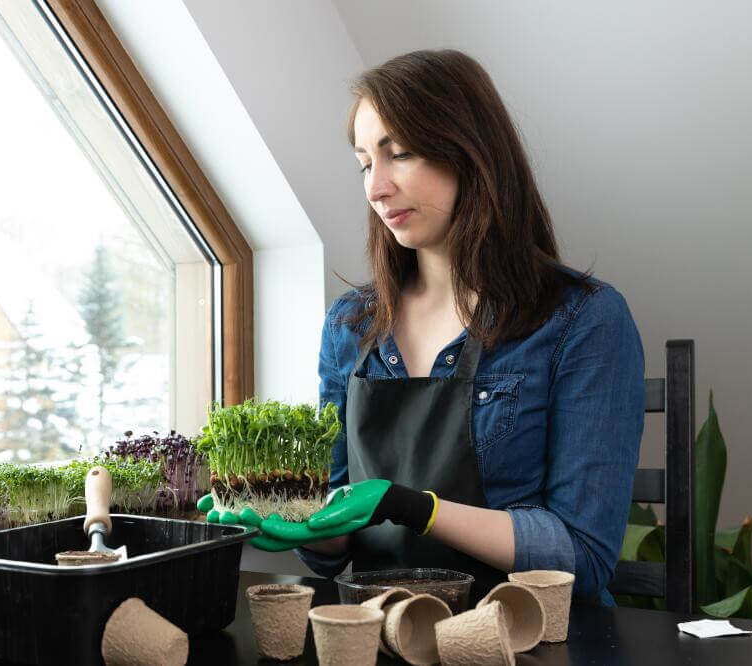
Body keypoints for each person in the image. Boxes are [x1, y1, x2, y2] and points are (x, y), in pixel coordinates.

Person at [199, 49, 645, 606]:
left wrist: (411, 505)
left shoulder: (582, 319)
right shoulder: (351, 324)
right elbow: (337, 540)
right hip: (374, 631)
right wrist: (295, 520)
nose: (376, 187)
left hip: (522, 636)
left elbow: (582, 553)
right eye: (365, 162)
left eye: (400, 154)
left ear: (471, 154)